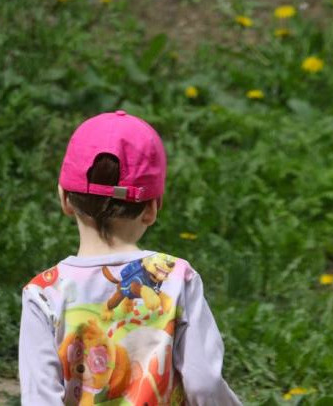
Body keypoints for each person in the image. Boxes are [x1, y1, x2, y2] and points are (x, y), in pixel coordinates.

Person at [19, 110, 241, 405]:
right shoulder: (175, 276)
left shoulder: (43, 292)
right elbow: (204, 384)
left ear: (64, 199)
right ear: (152, 208)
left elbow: (40, 399)